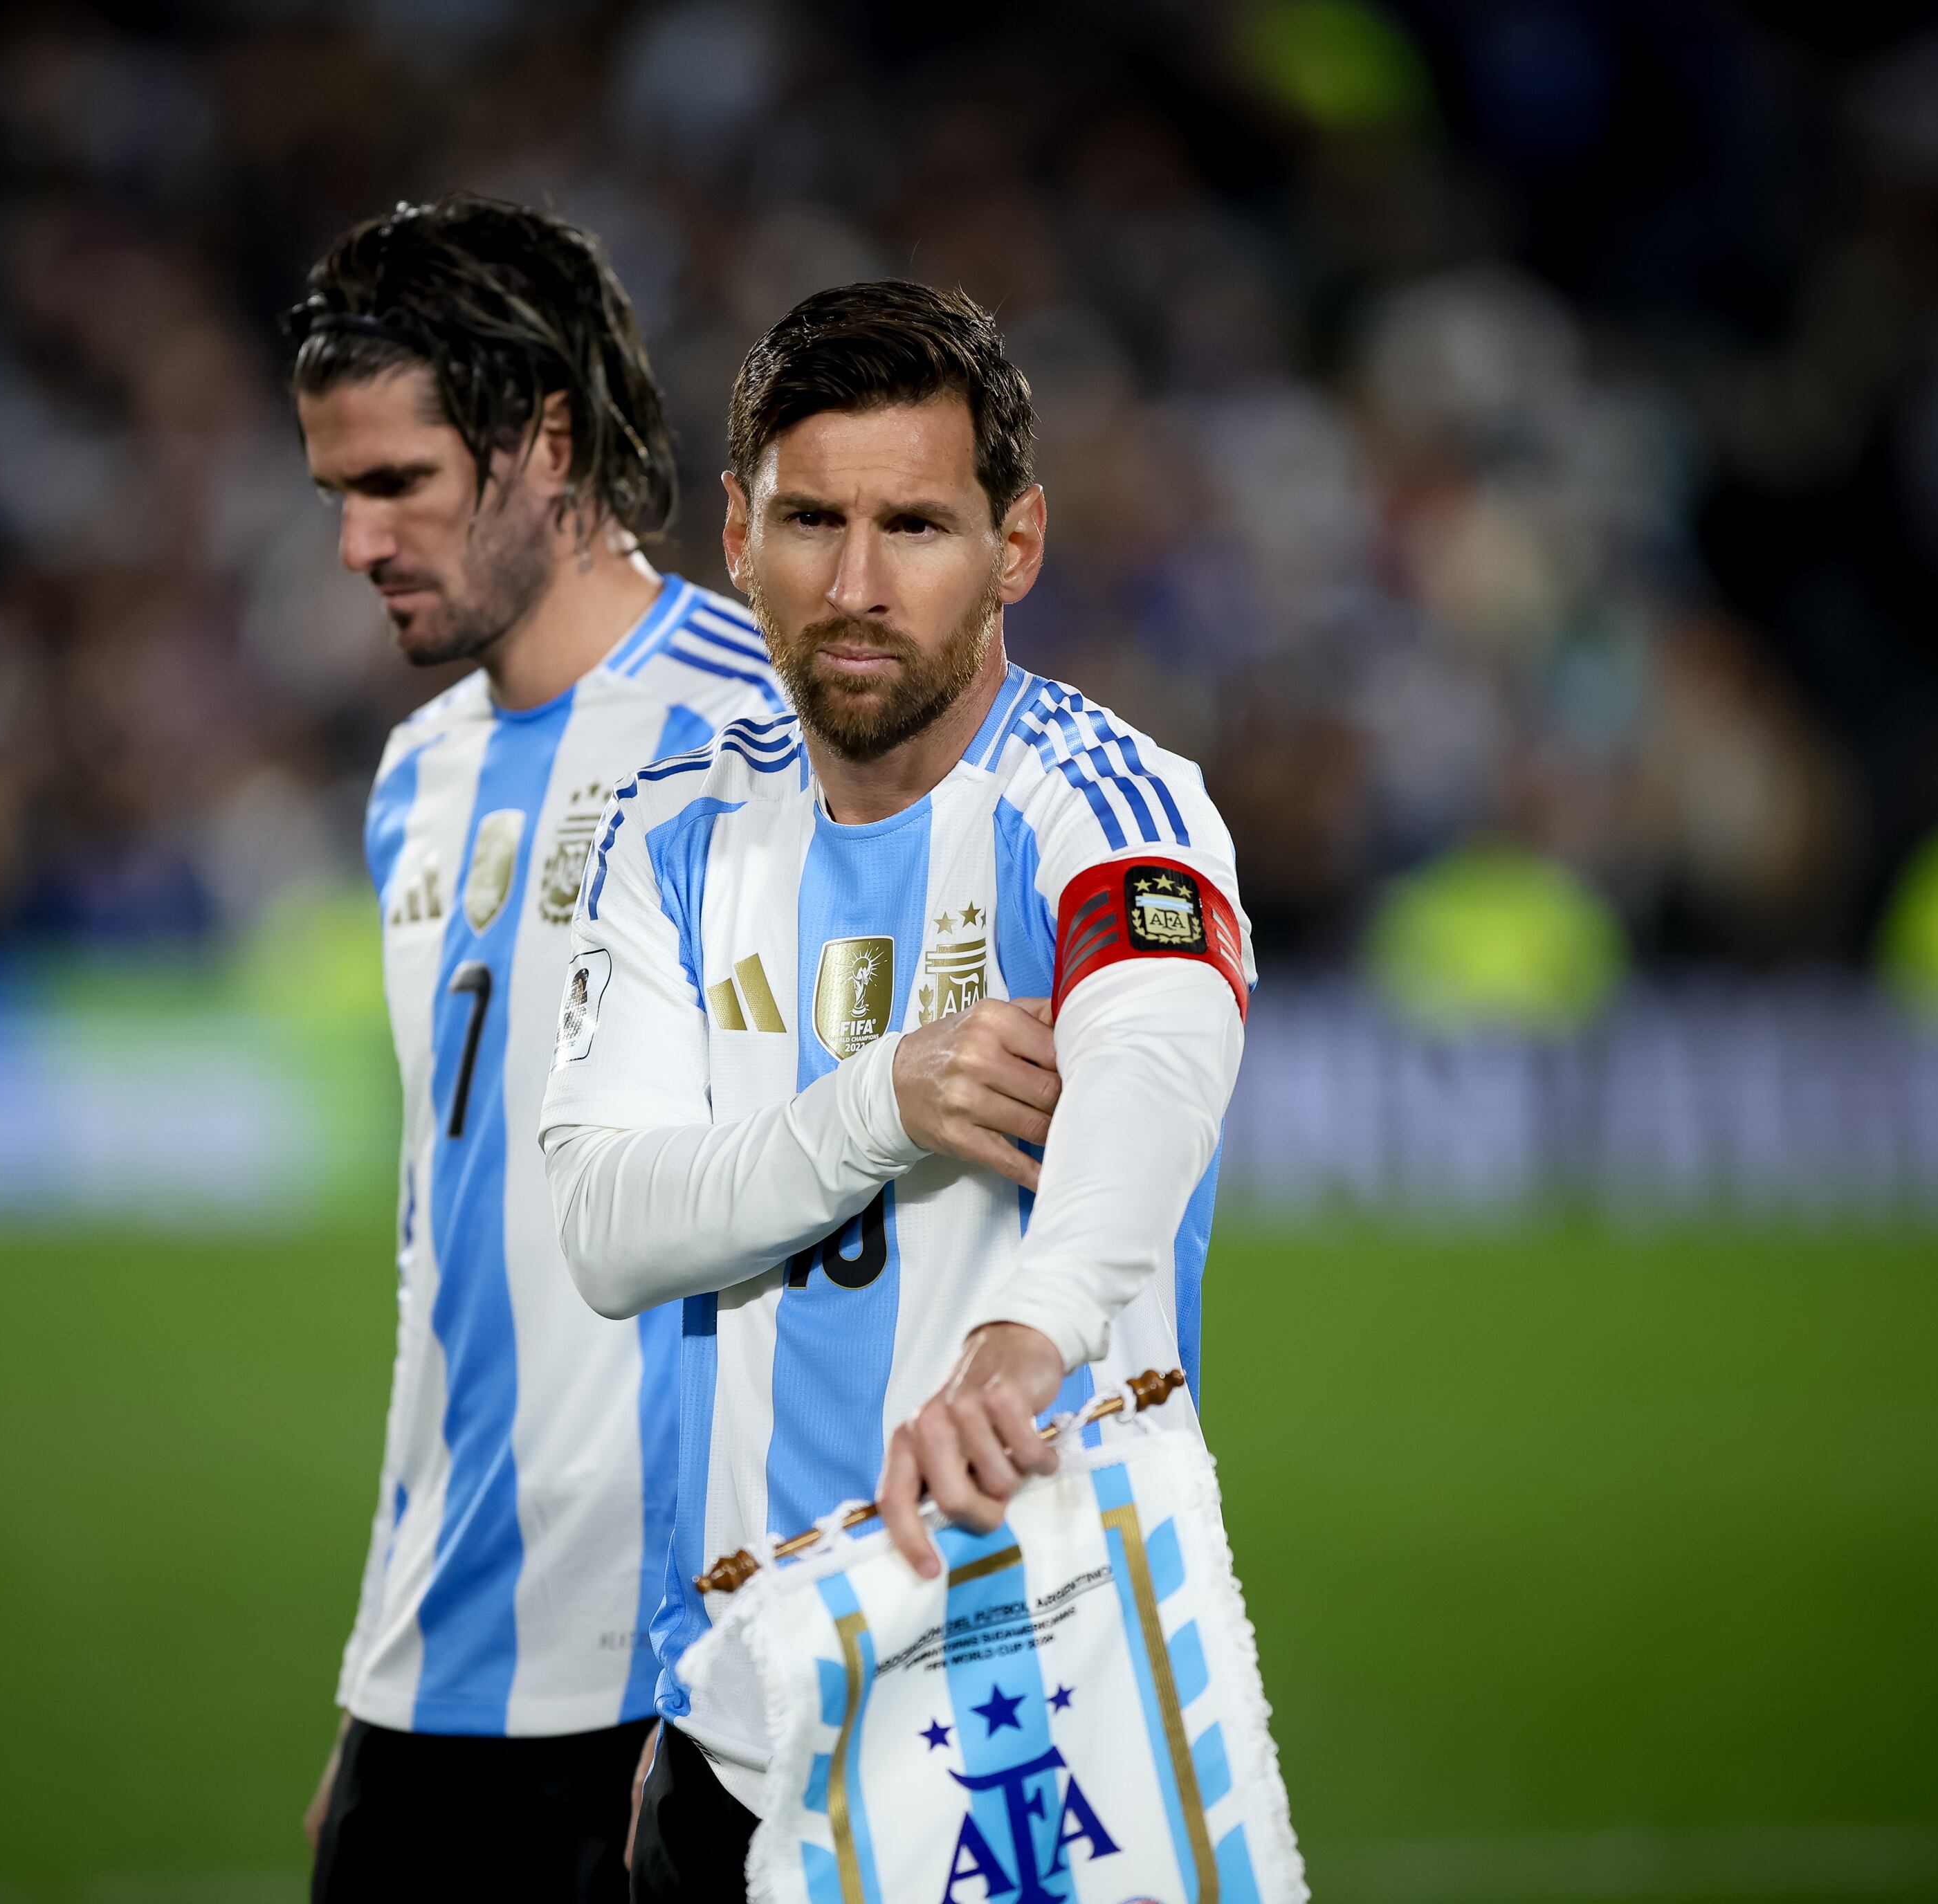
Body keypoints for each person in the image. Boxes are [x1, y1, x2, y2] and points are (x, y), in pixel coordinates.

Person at [538, 282, 1252, 1898]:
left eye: (917, 524)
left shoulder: (1104, 800)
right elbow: (602, 1223)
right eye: (811, 520)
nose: (855, 586)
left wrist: (1029, 1328)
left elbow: (1157, 1045)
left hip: (1034, 1731)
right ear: (735, 527)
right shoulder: (673, 830)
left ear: (1019, 546)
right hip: (743, 1720)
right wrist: (878, 1101)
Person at [285, 196, 785, 1904]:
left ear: (545, 444)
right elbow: (451, 1260)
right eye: (335, 493)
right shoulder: (414, 777)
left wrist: (746, 1673)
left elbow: (836, 1252)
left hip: (671, 1699)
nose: (355, 543)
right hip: (432, 1680)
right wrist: (384, 1674)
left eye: (397, 483)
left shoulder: (762, 739)